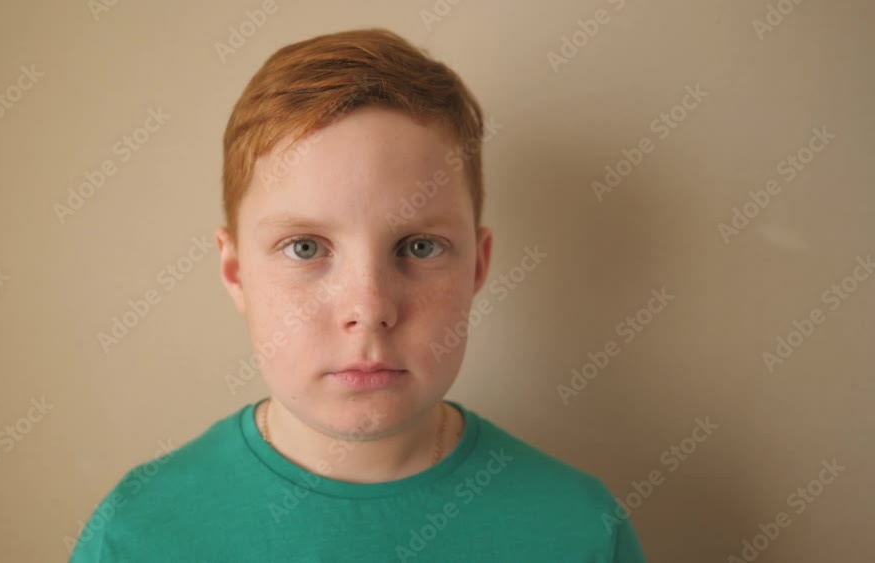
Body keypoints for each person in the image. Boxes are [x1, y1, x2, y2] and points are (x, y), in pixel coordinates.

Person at [68, 27, 647, 562]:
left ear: (478, 267)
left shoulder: (578, 531)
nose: (369, 308)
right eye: (304, 248)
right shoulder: (138, 532)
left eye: (419, 247)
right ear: (236, 272)